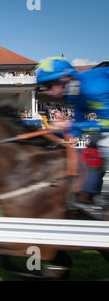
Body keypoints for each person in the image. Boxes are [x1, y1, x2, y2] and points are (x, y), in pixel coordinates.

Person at [35, 57, 109, 218]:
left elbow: (106, 123)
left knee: (104, 143)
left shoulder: (93, 88)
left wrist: (69, 126)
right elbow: (77, 129)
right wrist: (48, 133)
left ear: (64, 79)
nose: (46, 91)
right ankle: (90, 198)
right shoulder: (74, 94)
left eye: (47, 86)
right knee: (93, 147)